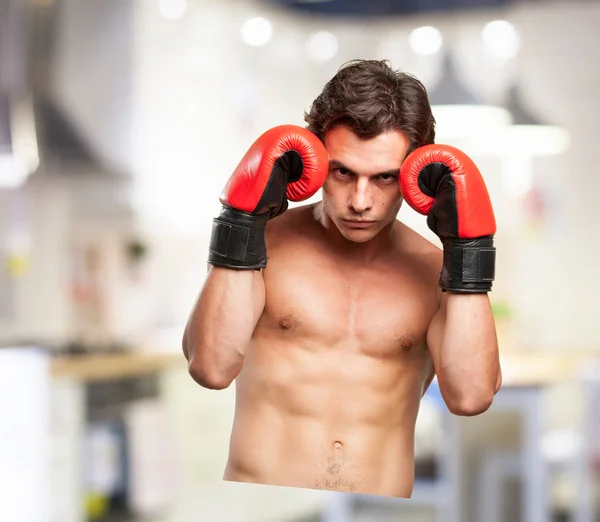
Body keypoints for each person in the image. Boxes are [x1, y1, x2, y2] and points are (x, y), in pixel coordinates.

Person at [182, 59, 502, 498]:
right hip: (267, 505)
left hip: (378, 508)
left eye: (385, 177)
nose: (360, 200)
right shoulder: (262, 248)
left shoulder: (435, 271)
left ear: (416, 175)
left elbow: (472, 397)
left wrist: (468, 253)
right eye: (343, 171)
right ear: (312, 162)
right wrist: (241, 220)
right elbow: (210, 367)